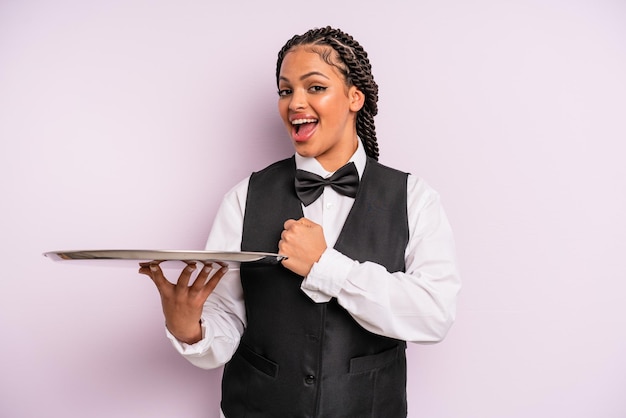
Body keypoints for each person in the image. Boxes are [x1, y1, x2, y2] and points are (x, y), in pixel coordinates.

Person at [139, 26, 460, 418]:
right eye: (286, 90)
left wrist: (328, 267)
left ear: (354, 97)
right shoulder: (244, 198)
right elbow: (226, 319)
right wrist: (191, 330)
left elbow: (434, 315)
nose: (295, 103)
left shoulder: (415, 198)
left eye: (315, 87)